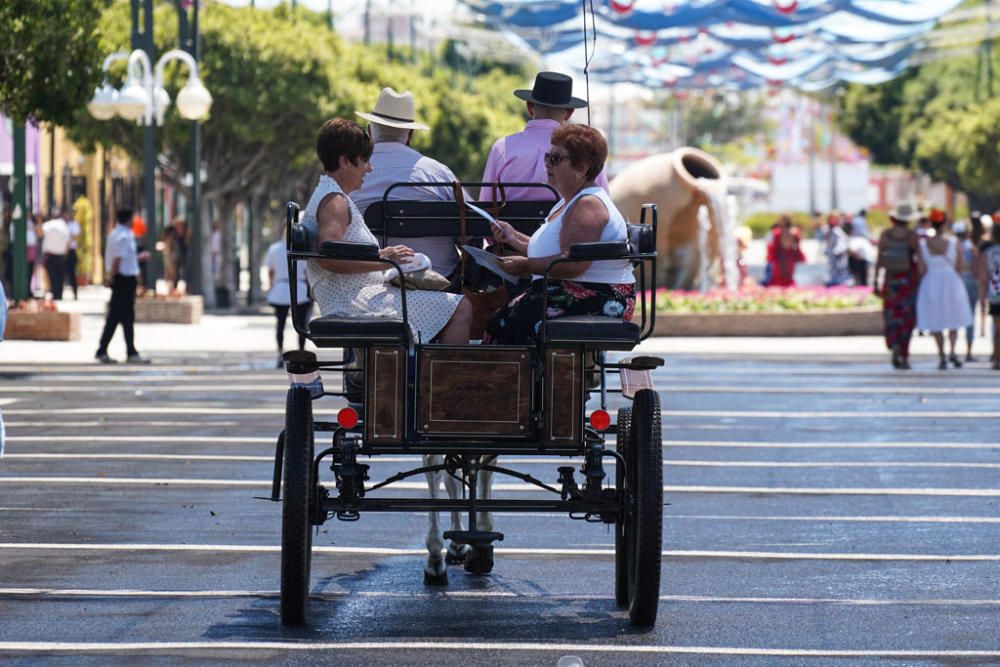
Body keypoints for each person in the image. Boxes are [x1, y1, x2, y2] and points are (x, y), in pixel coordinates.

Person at [304, 118, 472, 344]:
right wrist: (384, 262)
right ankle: (443, 379)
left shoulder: (330, 193)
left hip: (354, 297)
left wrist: (383, 256)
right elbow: (329, 258)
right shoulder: (334, 201)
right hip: (353, 303)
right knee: (460, 307)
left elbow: (335, 255)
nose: (369, 168)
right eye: (364, 161)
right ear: (345, 161)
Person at [484, 124, 635, 345]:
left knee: (507, 322)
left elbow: (574, 264)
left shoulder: (588, 205)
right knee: (501, 318)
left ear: (581, 168)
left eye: (555, 159)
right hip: (576, 290)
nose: (546, 164)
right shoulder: (569, 201)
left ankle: (522, 377)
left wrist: (525, 265)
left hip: (597, 296)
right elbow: (551, 251)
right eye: (547, 156)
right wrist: (512, 237)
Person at [350, 87, 464, 282]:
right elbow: (468, 231)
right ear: (410, 135)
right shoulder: (439, 174)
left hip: (368, 284)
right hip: (438, 284)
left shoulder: (350, 175)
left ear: (369, 132)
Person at [479, 71, 609, 202]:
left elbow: (485, 202)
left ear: (530, 107)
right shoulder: (585, 150)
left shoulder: (501, 148)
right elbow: (603, 202)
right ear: (569, 113)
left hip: (509, 222)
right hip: (568, 221)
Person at [916, 213, 974, 369]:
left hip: (931, 282)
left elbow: (921, 269)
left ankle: (941, 355)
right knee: (953, 318)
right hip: (951, 282)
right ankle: (953, 351)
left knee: (936, 320)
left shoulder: (923, 244)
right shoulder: (954, 242)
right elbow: (960, 266)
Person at [95, 208, 151, 364]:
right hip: (123, 281)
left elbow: (127, 259)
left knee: (116, 317)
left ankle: (105, 349)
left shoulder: (118, 234)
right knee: (124, 317)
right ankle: (129, 352)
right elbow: (117, 261)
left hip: (125, 279)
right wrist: (110, 278)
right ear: (129, 219)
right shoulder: (123, 236)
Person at [875, 203, 921, 369]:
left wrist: (875, 281)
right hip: (908, 282)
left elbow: (879, 259)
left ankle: (894, 344)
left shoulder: (885, 235)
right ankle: (904, 354)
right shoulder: (912, 237)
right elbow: (920, 261)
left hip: (891, 281)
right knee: (907, 319)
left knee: (892, 316)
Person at [264, 230, 313, 367]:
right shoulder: (302, 251)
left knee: (280, 324)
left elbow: (270, 271)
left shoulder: (274, 249)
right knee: (302, 325)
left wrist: (272, 285)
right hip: (300, 289)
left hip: (280, 288)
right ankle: (302, 353)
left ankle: (280, 353)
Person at [953, 220, 979, 361]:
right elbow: (976, 269)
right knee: (970, 317)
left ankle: (952, 350)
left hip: (956, 283)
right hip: (970, 283)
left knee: (955, 317)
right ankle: (968, 352)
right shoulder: (972, 248)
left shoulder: (950, 246)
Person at [977, 223, 1000, 370]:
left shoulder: (988, 252)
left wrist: (982, 298)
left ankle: (997, 358)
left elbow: (983, 278)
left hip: (995, 293)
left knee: (998, 329)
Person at [40, 209, 71, 300]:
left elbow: (40, 231)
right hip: (61, 255)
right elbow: (68, 243)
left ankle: (55, 293)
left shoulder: (50, 224)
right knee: (60, 276)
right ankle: (59, 294)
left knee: (52, 276)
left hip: (50, 255)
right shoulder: (65, 227)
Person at [766, 216, 804, 287]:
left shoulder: (777, 233)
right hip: (790, 258)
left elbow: (773, 247)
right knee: (788, 277)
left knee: (778, 279)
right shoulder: (795, 233)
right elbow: (797, 248)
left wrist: (770, 257)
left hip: (780, 258)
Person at [845, 221, 875, 287]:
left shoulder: (856, 239)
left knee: (860, 282)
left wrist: (857, 257)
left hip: (862, 262)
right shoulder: (863, 239)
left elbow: (851, 250)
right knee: (863, 282)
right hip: (867, 262)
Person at [824, 213, 850, 287]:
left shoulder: (837, 231)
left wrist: (837, 251)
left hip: (837, 257)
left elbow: (842, 243)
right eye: (831, 219)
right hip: (831, 257)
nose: (832, 221)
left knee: (839, 274)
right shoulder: (829, 230)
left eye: (834, 219)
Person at [65, 208, 80, 300]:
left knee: (72, 273)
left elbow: (73, 237)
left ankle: (75, 292)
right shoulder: (66, 225)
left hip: (70, 251)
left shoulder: (74, 225)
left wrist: (66, 248)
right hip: (64, 250)